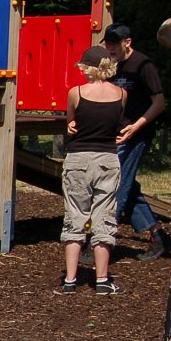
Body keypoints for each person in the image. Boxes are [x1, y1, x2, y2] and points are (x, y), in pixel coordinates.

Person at [102, 22, 171, 262]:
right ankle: (158, 236)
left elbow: (159, 103)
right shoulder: (112, 65)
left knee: (118, 186)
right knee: (128, 186)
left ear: (127, 42)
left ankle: (103, 243)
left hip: (137, 134)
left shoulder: (143, 65)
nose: (110, 48)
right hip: (118, 132)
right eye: (107, 43)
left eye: (114, 44)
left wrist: (136, 126)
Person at [58, 46, 126, 295]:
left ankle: (70, 280)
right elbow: (117, 123)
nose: (82, 70)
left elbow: (71, 123)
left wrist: (73, 124)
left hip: (78, 158)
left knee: (75, 217)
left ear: (91, 67)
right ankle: (102, 280)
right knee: (104, 219)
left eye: (84, 66)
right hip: (107, 158)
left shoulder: (76, 93)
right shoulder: (121, 94)